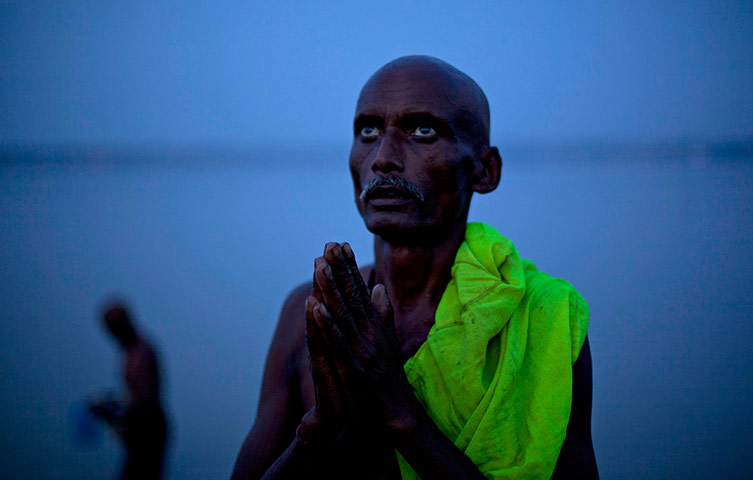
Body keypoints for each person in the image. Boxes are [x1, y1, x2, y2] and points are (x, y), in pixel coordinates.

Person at [231, 55, 598, 479]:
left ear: (485, 170)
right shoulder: (308, 313)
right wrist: (320, 427)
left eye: (423, 131)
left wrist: (399, 411)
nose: (383, 157)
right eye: (367, 131)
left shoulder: (542, 318)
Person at [88, 303, 168, 480]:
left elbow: (146, 401)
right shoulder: (132, 352)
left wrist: (114, 411)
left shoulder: (141, 353)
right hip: (141, 430)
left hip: (148, 432)